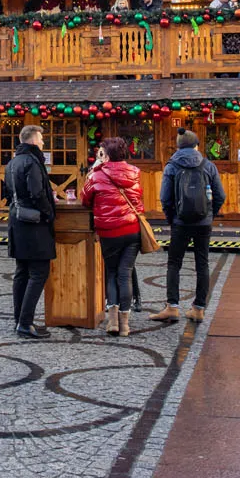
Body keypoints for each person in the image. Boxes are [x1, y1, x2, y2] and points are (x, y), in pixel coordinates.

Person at [151, 130, 225, 323]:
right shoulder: (208, 165)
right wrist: (209, 214)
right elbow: (220, 195)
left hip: (180, 222)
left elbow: (165, 198)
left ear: (178, 146)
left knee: (174, 263)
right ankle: (198, 309)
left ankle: (172, 307)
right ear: (196, 146)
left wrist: (172, 218)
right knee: (203, 263)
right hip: (203, 223)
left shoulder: (172, 166)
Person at [82, 137, 144, 337]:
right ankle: (125, 325)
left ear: (105, 155)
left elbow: (85, 199)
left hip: (109, 230)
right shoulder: (135, 173)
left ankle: (112, 322)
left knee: (111, 273)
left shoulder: (96, 175)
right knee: (125, 274)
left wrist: (96, 166)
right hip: (131, 229)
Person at [4, 124, 56, 339]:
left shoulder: (13, 162)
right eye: (42, 139)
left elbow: (8, 191)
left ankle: (19, 320)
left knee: (22, 272)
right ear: (33, 140)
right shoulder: (33, 162)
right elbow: (37, 193)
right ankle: (25, 323)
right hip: (34, 224)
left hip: (16, 220)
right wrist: (48, 213)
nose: (43, 143)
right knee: (38, 272)